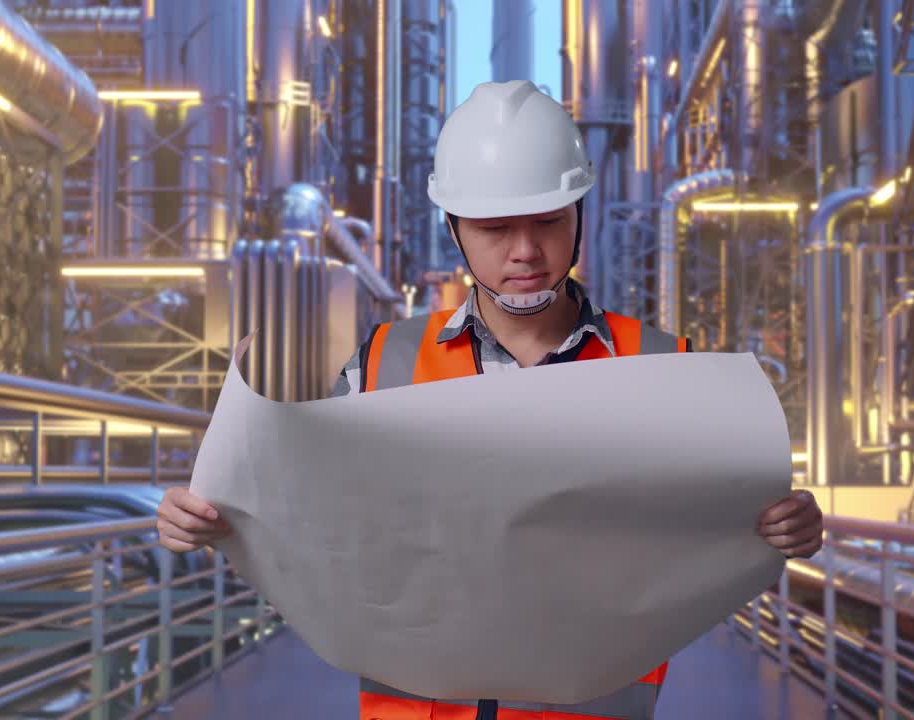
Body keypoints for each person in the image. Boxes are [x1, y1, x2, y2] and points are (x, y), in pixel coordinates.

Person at [157, 80, 824, 720]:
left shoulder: (662, 369)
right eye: (495, 227)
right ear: (454, 226)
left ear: (579, 214)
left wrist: (781, 529)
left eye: (548, 221)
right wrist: (216, 522)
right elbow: (312, 517)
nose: (526, 251)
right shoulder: (382, 365)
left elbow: (717, 524)